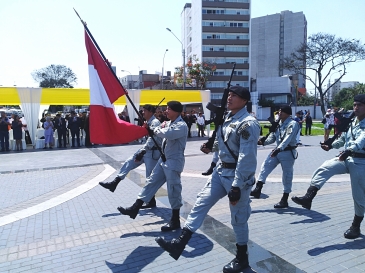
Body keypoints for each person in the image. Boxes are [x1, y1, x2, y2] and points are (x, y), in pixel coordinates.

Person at [155, 87, 260, 273]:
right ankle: (180, 243)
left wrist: (237, 185)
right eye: (229, 94)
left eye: (234, 95)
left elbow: (246, 157)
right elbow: (225, 143)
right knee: (201, 202)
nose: (230, 97)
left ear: (244, 100)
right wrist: (210, 147)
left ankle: (242, 259)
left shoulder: (248, 124)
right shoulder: (229, 118)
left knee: (238, 219)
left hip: (237, 177)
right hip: (221, 173)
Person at [292, 94, 365, 239]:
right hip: (347, 157)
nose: (356, 108)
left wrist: (349, 149)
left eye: (360, 105)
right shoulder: (352, 122)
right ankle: (308, 197)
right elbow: (344, 139)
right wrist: (330, 145)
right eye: (355, 104)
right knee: (325, 167)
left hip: (361, 162)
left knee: (358, 196)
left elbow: (361, 140)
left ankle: (356, 226)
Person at [117, 101, 188, 232]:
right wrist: (154, 129)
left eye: (169, 109)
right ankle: (135, 207)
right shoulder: (168, 123)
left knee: (173, 190)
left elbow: (167, 134)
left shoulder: (181, 125)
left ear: (176, 111)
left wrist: (153, 129)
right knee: (150, 182)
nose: (166, 111)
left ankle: (175, 220)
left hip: (174, 161)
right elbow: (161, 131)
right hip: (163, 159)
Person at [99, 104, 163, 208]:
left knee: (149, 177)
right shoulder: (148, 122)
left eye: (145, 111)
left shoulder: (155, 122)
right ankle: (115, 182)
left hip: (152, 153)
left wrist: (142, 152)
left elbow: (153, 139)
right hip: (146, 150)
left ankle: (151, 201)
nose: (143, 112)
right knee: (129, 162)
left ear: (150, 112)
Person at [251, 105, 299, 208]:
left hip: (287, 152)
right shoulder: (278, 124)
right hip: (277, 151)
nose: (279, 113)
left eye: (281, 111)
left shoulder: (292, 124)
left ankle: (284, 199)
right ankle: (258, 189)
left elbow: (288, 138)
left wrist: (278, 149)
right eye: (279, 111)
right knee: (265, 166)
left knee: (287, 175)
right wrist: (262, 142)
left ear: (287, 113)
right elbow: (272, 138)